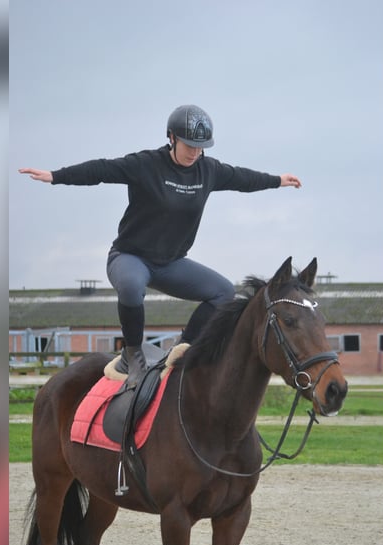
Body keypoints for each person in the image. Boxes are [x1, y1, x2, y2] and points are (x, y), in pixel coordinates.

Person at [18, 104, 302, 385]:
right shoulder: (146, 165)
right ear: (171, 138)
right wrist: (56, 176)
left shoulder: (208, 170)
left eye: (201, 147)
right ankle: (132, 356)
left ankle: (182, 350)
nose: (195, 152)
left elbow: (243, 178)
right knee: (131, 288)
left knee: (223, 292)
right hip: (130, 258)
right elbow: (102, 170)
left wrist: (278, 181)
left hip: (171, 263)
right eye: (189, 145)